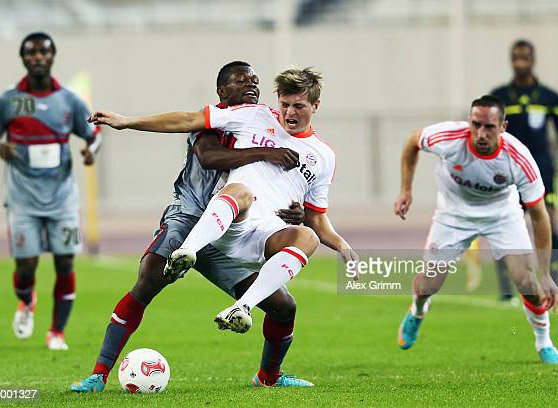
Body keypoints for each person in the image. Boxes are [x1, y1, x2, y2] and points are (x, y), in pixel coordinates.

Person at [84, 66, 356, 387]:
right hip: (190, 219)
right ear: (223, 92)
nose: (252, 87)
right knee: (146, 282)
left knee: (283, 307)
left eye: (255, 82)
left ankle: (267, 373)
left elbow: (298, 202)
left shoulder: (308, 147)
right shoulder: (229, 120)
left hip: (239, 228)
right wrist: (126, 121)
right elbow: (210, 156)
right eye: (242, 82)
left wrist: (299, 220)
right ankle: (97, 376)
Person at [394, 95, 558, 364]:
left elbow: (540, 216)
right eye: (476, 124)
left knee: (528, 282)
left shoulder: (518, 158)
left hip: (502, 216)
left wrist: (546, 274)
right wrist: (406, 189)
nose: (481, 133)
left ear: (503, 126)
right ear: (469, 121)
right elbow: (413, 141)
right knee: (427, 285)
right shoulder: (448, 137)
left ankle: (544, 342)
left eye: (489, 127)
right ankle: (417, 311)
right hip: (453, 215)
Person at [0, 32, 101, 351]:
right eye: (31, 53)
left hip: (62, 202)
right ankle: (26, 299)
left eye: (44, 52)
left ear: (53, 56)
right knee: (26, 265)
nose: (38, 57)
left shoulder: (68, 100)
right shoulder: (12, 100)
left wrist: (91, 151)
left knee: (65, 263)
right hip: (22, 201)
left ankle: (56, 331)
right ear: (23, 58)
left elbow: (93, 133)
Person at [491, 40, 558, 302]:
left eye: (525, 57)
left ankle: (550, 273)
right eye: (516, 57)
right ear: (511, 59)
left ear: (533, 59)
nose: (521, 61)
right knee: (504, 225)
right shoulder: (500, 97)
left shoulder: (549, 97)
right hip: (507, 171)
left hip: (541, 169)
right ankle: (507, 286)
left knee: (550, 221)